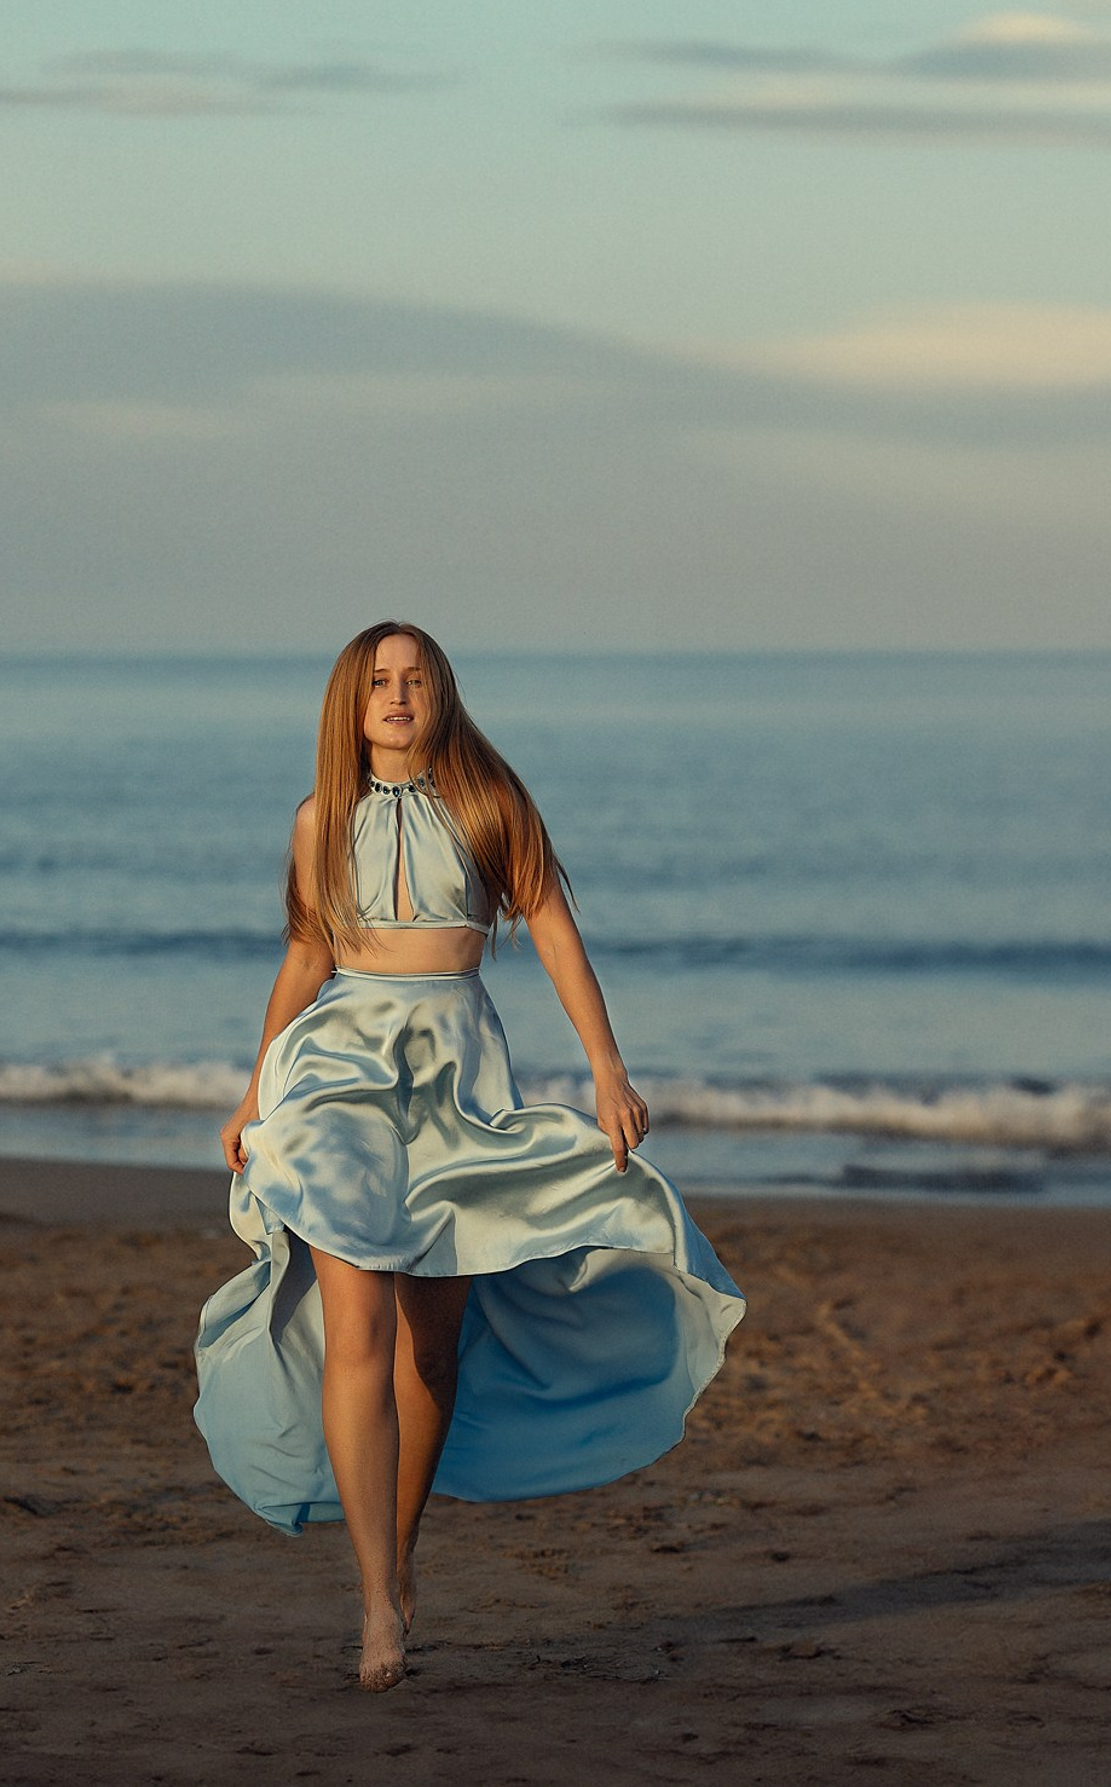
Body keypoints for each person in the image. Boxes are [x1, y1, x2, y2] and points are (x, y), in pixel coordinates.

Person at [193, 622, 743, 1691]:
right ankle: (372, 1602)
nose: (397, 696)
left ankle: (397, 1562)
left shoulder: (492, 804)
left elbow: (550, 924)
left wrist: (606, 1066)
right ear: (351, 705)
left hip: (456, 1080)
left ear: (441, 696)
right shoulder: (320, 819)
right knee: (356, 1316)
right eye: (378, 683)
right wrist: (258, 1085)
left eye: (414, 680)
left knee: (431, 1348)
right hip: (334, 1073)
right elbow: (306, 954)